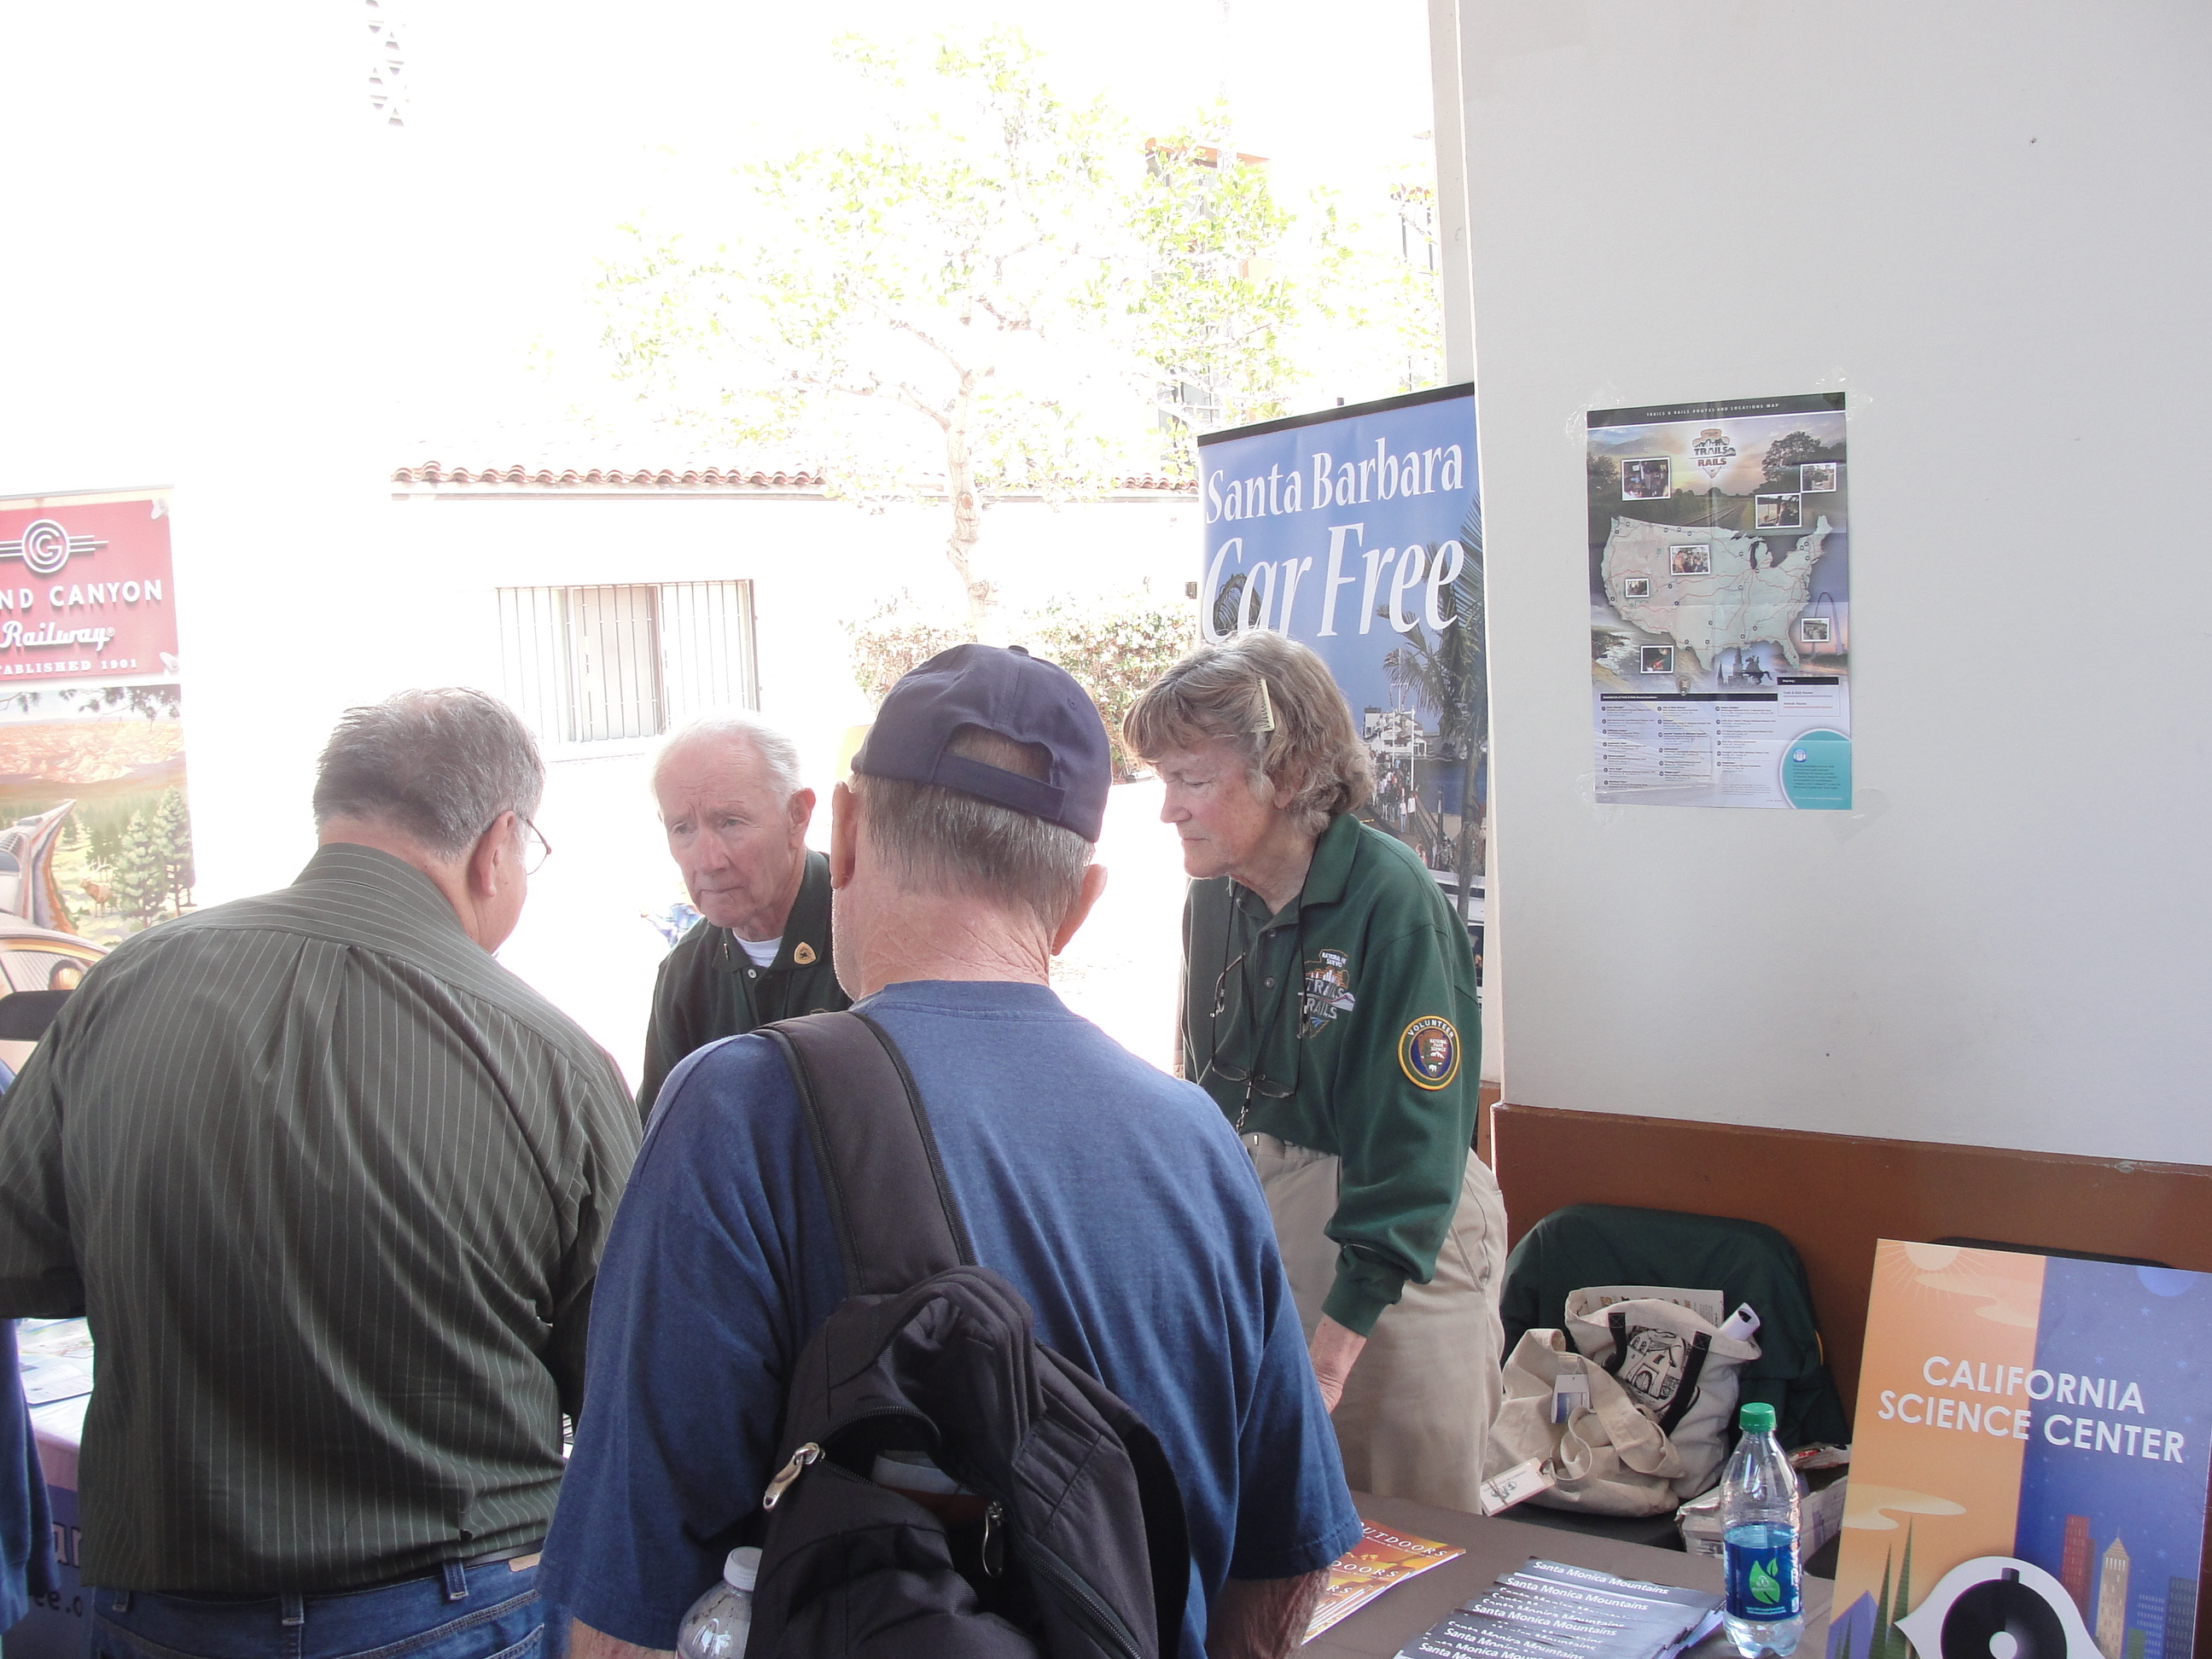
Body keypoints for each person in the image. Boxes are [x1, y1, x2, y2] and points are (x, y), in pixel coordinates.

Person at [541, 643, 1360, 1659]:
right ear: (1080, 902)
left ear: (842, 834)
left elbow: (629, 1610)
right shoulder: (1197, 1138)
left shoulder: (738, 1112)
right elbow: (1286, 1555)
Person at [0, 688, 640, 1659]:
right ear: (497, 844)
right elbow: (628, 1382)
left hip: (167, 1610)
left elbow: (23, 1258)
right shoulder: (553, 1059)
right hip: (456, 1603)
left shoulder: (122, 989)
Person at [1125, 631, 1508, 1515]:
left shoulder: (1390, 899)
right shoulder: (1213, 896)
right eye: (1162, 780)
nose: (1168, 810)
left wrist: (1337, 1347)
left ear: (1288, 773)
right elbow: (1204, 1092)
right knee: (1281, 1527)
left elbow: (1415, 1146)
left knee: (1402, 1519)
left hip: (1398, 1244)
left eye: (1191, 778)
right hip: (1267, 1219)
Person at [635, 710, 846, 1118]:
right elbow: (661, 1139)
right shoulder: (685, 974)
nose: (707, 860)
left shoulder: (873, 936)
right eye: (682, 829)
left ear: (797, 815)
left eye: (730, 822)